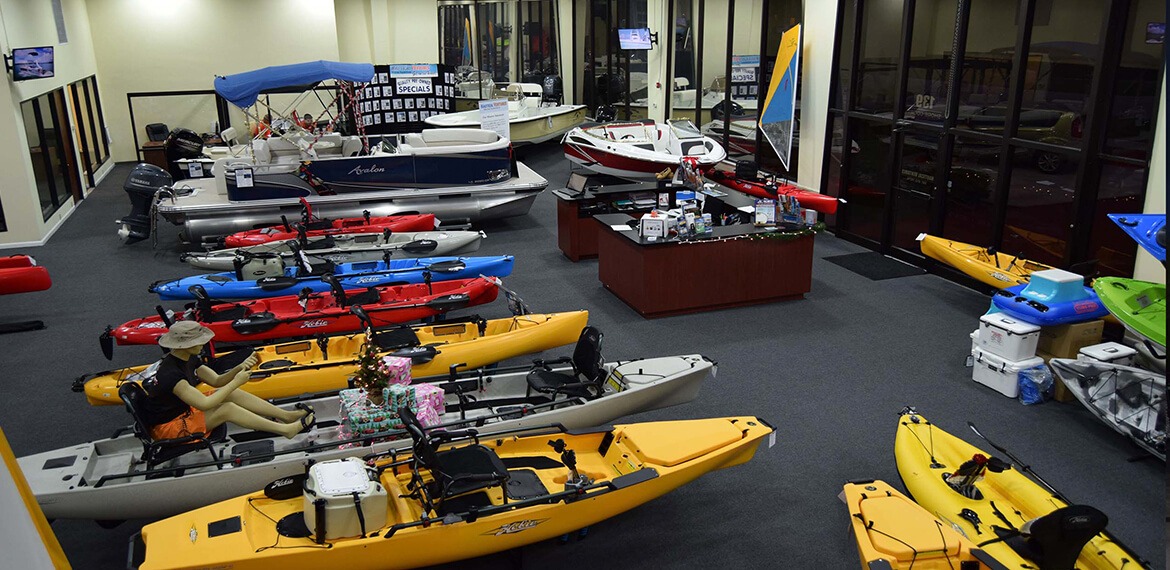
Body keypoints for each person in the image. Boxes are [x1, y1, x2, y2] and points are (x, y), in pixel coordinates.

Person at [141, 321, 313, 440]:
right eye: (199, 341)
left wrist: (239, 368)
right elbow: (205, 404)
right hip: (167, 428)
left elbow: (216, 381)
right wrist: (236, 382)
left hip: (181, 411)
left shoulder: (188, 358)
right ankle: (286, 430)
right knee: (227, 409)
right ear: (184, 345)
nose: (204, 344)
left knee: (230, 394)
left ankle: (286, 416)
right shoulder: (171, 374)